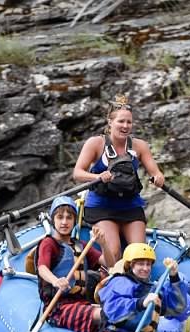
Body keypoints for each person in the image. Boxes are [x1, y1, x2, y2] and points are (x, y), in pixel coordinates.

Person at [71, 94, 165, 268]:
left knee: (139, 253)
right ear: (110, 122)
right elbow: (77, 173)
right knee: (114, 253)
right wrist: (97, 177)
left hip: (130, 206)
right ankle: (110, 283)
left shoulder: (139, 146)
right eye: (121, 121)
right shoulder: (95, 144)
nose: (125, 126)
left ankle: (137, 288)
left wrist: (158, 178)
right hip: (102, 207)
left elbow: (156, 172)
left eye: (129, 122)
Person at [93, 243, 190, 332]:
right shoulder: (120, 282)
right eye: (140, 264)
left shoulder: (153, 289)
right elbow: (113, 309)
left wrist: (174, 277)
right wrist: (140, 303)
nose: (145, 268)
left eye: (148, 264)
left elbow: (177, 308)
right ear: (130, 265)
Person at [35, 196, 106, 332]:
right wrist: (56, 281)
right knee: (106, 315)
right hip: (57, 308)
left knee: (110, 314)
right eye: (60, 217)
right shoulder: (49, 243)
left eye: (69, 218)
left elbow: (108, 262)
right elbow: (42, 268)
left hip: (81, 303)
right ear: (52, 220)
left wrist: (103, 244)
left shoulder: (81, 245)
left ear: (74, 221)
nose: (64, 222)